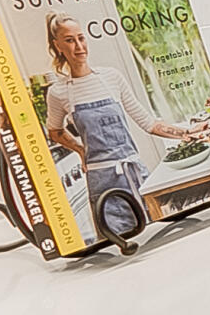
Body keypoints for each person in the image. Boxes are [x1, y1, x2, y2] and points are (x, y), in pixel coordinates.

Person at [42, 13, 188, 222]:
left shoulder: (111, 77)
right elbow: (54, 132)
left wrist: (187, 133)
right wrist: (81, 150)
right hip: (102, 184)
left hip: (136, 173)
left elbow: (149, 124)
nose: (79, 46)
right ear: (58, 46)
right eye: (69, 40)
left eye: (81, 38)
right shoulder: (59, 92)